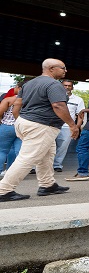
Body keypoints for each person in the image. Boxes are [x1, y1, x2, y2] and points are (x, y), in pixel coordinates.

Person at [0, 59, 78, 202]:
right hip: (42, 126)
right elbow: (58, 106)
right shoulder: (54, 84)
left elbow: (18, 103)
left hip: (27, 122)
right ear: (51, 68)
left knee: (47, 154)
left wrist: (20, 120)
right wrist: (73, 125)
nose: (65, 70)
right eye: (63, 68)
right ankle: (3, 190)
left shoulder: (29, 83)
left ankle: (47, 185)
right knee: (27, 158)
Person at [53, 80, 85, 173]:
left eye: (69, 86)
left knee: (63, 147)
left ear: (72, 88)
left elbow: (80, 115)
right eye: (65, 85)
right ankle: (36, 167)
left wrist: (77, 127)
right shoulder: (53, 96)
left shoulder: (78, 100)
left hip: (67, 127)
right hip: (52, 125)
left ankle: (57, 165)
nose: (67, 87)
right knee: (46, 146)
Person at [0, 85, 22, 177]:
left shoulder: (9, 99)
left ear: (19, 88)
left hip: (7, 126)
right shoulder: (30, 100)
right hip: (22, 127)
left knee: (2, 150)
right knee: (17, 151)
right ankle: (12, 172)